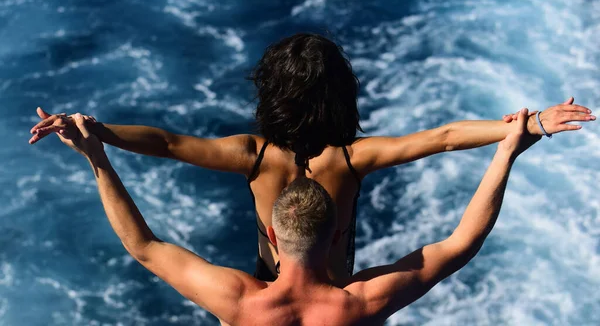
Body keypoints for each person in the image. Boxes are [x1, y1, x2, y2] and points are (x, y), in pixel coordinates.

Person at [28, 33, 595, 282]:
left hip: (266, 287)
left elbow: (167, 143)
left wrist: (96, 131)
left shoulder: (252, 156)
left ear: (270, 95)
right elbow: (445, 136)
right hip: (338, 293)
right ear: (343, 96)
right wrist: (533, 125)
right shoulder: (352, 159)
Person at [57, 108, 540, 325]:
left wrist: (97, 157)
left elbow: (144, 247)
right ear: (336, 238)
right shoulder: (361, 305)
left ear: (271, 233)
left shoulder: (240, 303)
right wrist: (506, 152)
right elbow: (460, 244)